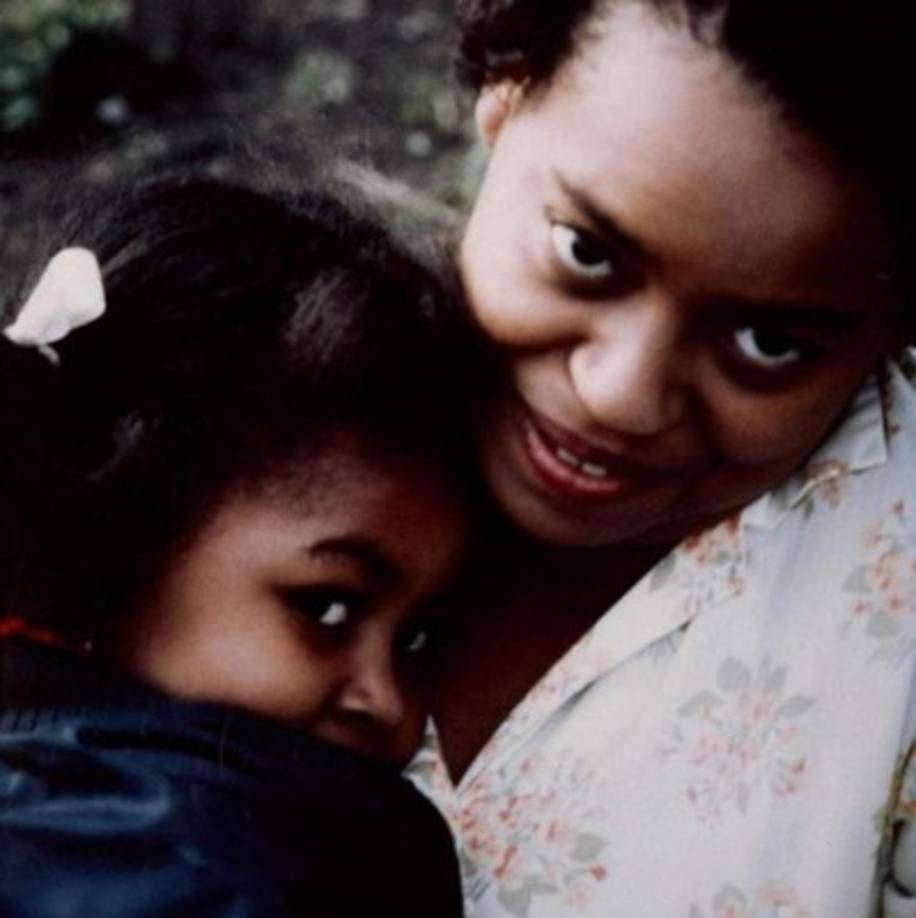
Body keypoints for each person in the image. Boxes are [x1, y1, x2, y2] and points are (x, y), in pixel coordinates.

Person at [408, 1, 916, 915]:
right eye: (585, 253)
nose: (623, 396)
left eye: (768, 343)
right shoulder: (210, 408)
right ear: (505, 89)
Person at [0, 174, 479, 916]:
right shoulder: (200, 869)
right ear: (117, 548)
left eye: (418, 640)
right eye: (327, 609)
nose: (390, 707)